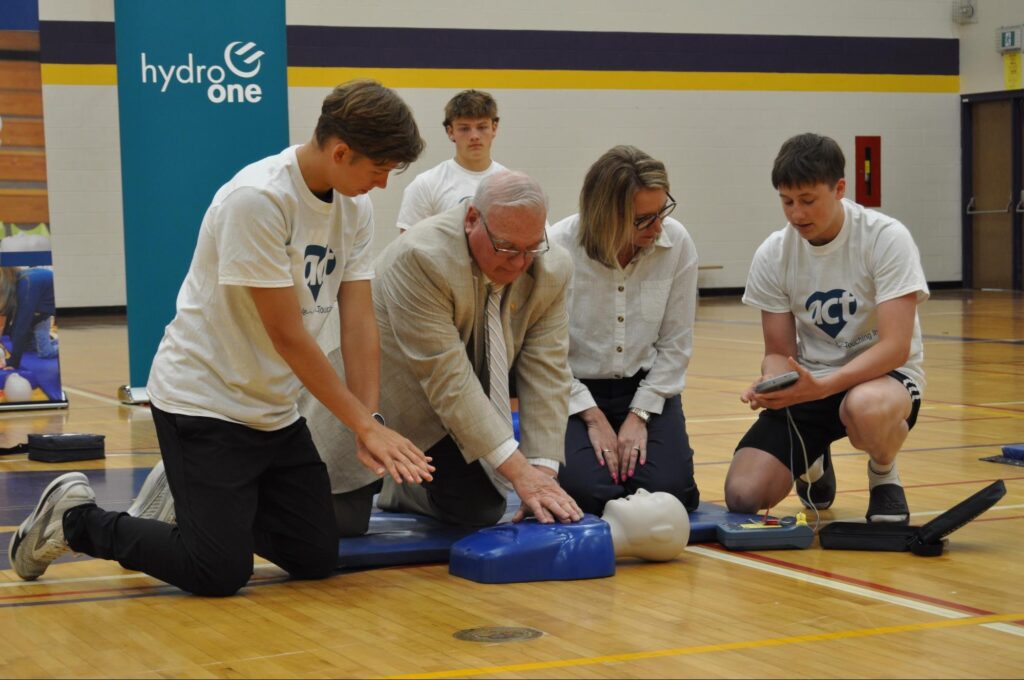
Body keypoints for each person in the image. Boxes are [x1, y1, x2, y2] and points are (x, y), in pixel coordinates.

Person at [8, 79, 434, 595]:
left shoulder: (355, 208)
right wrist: (362, 427)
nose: (384, 185)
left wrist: (372, 418)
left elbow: (359, 319)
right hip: (204, 401)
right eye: (380, 170)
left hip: (275, 409)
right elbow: (287, 334)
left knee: (316, 555)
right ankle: (74, 519)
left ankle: (191, 503)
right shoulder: (257, 199)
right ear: (342, 151)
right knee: (217, 571)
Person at [300, 170, 583, 536]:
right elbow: (448, 378)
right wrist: (518, 472)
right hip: (382, 401)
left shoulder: (553, 267)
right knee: (341, 524)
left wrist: (541, 474)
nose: (518, 263)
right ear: (471, 220)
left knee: (479, 509)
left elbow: (548, 372)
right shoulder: (422, 257)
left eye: (530, 249)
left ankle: (404, 488)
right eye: (507, 248)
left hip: (449, 412)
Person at [724, 132, 928, 524]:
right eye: (787, 202)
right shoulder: (773, 253)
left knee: (863, 407)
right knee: (743, 495)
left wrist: (822, 387)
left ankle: (884, 474)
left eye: (807, 201)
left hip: (884, 380)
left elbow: (896, 347)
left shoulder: (885, 238)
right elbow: (778, 349)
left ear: (839, 189)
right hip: (811, 382)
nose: (796, 214)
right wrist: (773, 383)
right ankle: (812, 460)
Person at [549, 146, 700, 517]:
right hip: (572, 391)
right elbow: (544, 353)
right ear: (605, 216)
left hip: (645, 387)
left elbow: (676, 343)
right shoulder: (557, 248)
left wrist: (640, 415)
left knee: (668, 493)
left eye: (662, 211)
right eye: (643, 219)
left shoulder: (676, 243)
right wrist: (592, 416)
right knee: (589, 495)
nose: (658, 227)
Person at [396, 89, 506, 233]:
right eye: (464, 128)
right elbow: (408, 248)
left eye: (482, 127)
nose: (474, 136)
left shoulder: (512, 185)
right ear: (450, 132)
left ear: (494, 128)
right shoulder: (425, 184)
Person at [0, 266, 58, 368]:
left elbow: (21, 326)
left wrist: (13, 362)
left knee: (45, 353)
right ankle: (50, 341)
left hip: (42, 316)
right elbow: (9, 314)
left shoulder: (27, 284)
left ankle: (58, 344)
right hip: (37, 314)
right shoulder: (18, 284)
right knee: (19, 339)